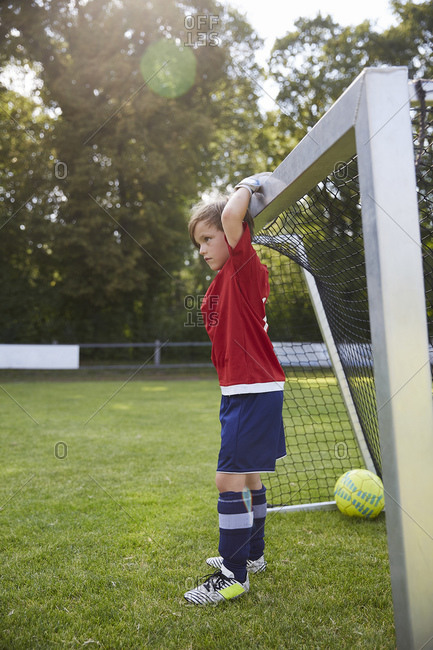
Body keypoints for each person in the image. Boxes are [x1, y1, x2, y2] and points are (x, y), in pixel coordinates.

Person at [184, 174, 286, 606]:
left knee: (227, 479)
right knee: (247, 475)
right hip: (242, 390)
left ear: (233, 236)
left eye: (208, 239)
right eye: (198, 244)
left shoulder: (245, 268)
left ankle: (233, 575)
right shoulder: (221, 281)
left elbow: (230, 213)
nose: (203, 249)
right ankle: (253, 556)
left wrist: (251, 183)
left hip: (253, 388)